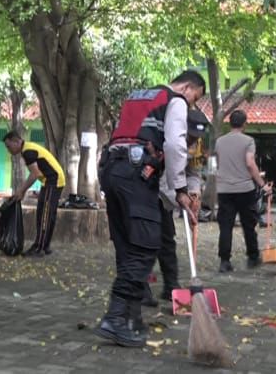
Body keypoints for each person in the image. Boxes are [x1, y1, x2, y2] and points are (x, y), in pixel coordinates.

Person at [95, 70, 206, 347]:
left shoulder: (137, 96)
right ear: (188, 87)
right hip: (136, 174)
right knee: (145, 246)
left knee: (127, 246)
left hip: (111, 169)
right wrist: (180, 189)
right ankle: (116, 317)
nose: (192, 104)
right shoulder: (174, 100)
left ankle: (132, 319)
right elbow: (176, 145)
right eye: (195, 97)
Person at [143, 108, 208, 313]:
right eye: (190, 135)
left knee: (167, 240)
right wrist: (181, 198)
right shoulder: (163, 139)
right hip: (148, 190)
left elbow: (193, 172)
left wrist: (194, 192)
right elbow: (162, 178)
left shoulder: (196, 146)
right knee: (147, 240)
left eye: (196, 137)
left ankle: (171, 285)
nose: (192, 140)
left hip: (170, 197)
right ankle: (141, 287)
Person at [214, 109, 272, 273]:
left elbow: (217, 163)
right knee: (248, 224)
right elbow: (249, 163)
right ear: (244, 124)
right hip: (244, 189)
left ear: (230, 123)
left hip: (224, 189)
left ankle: (224, 261)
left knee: (226, 226)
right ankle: (253, 257)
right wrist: (262, 184)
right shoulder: (248, 141)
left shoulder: (219, 142)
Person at [3, 131, 66, 257]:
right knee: (46, 214)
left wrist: (21, 191)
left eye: (9, 146)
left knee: (44, 215)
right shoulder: (27, 149)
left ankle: (39, 248)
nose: (8, 150)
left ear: (16, 141)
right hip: (50, 181)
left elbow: (35, 174)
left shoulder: (28, 152)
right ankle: (45, 246)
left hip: (53, 181)